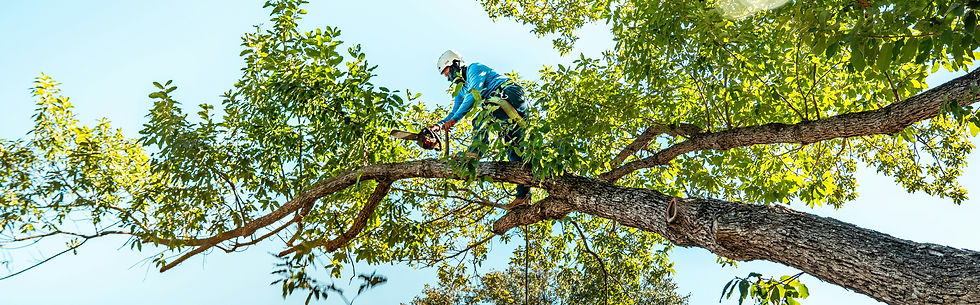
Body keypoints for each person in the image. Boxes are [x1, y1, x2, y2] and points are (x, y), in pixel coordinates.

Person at [432, 50, 531, 209]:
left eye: (447, 72)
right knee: (514, 153)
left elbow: (474, 94)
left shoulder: (474, 69)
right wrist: (439, 125)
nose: (447, 77)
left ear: (455, 64)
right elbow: (455, 110)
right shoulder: (460, 90)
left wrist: (455, 120)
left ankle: (474, 153)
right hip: (505, 113)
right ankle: (523, 197)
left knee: (480, 119)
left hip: (509, 94)